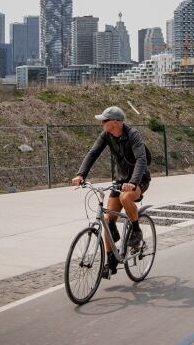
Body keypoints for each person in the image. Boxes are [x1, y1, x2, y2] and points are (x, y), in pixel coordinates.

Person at [71, 106, 151, 278]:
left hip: (139, 179)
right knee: (107, 221)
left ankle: (136, 231)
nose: (102, 123)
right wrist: (81, 174)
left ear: (115, 122)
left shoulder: (133, 135)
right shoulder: (106, 135)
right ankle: (111, 262)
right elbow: (93, 153)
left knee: (125, 198)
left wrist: (133, 182)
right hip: (121, 180)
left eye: (104, 120)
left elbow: (141, 159)